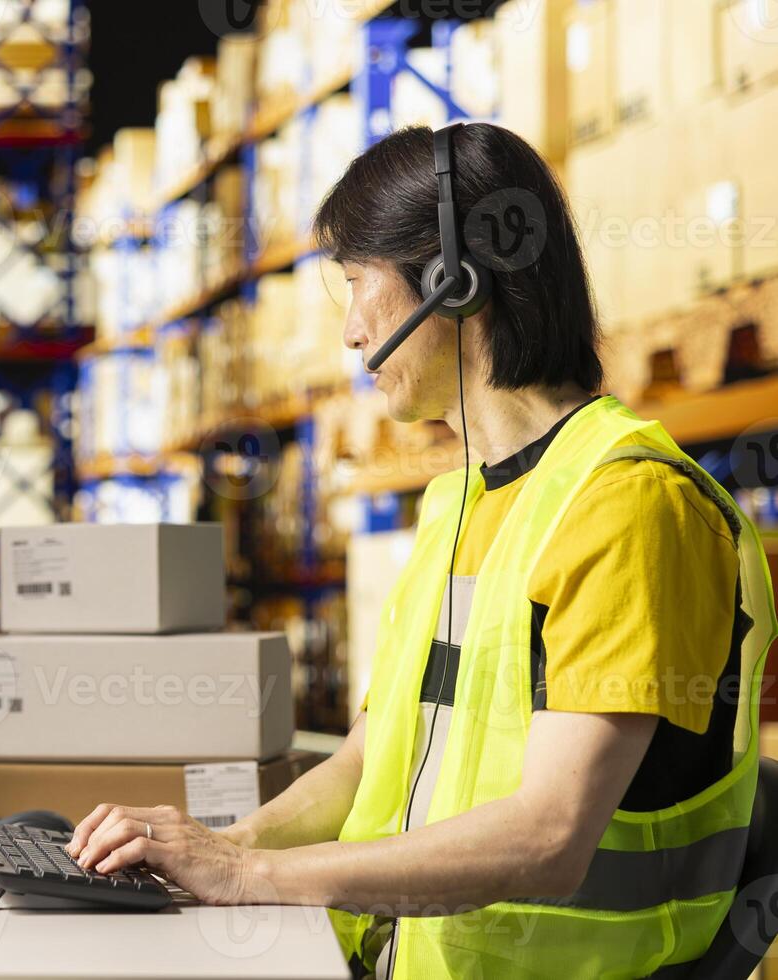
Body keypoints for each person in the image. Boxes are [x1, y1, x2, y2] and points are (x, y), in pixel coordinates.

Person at [64, 123, 777, 978]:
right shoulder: (459, 504)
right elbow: (369, 759)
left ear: (453, 282)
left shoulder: (628, 506)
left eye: (359, 283)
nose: (352, 334)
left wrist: (251, 876)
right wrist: (219, 844)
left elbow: (550, 835)